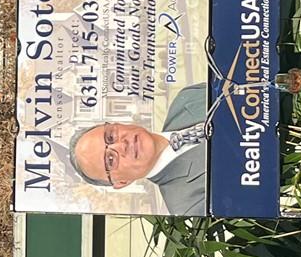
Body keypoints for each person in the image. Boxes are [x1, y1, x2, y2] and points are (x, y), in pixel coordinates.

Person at [68, 86, 210, 214]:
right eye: (110, 160)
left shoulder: (187, 98)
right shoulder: (188, 204)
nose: (121, 145)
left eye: (110, 136)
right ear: (122, 182)